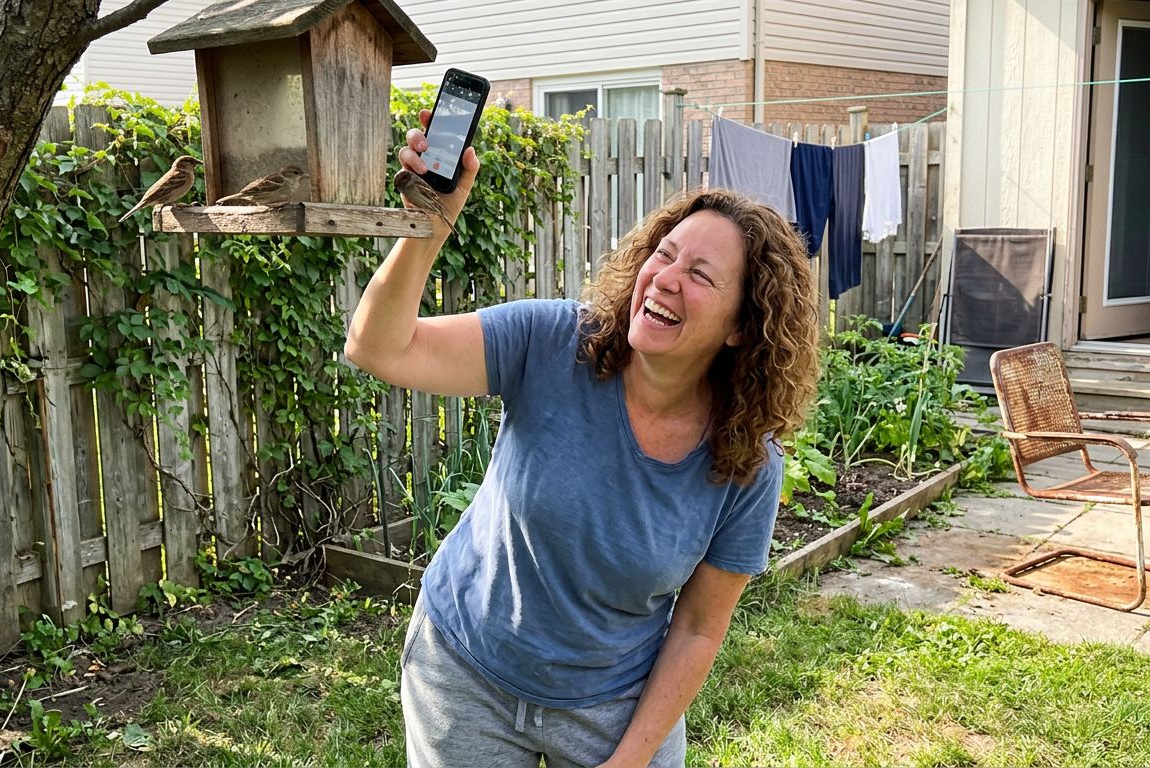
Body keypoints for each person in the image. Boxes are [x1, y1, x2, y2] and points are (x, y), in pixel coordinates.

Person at [344, 110, 820, 768]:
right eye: (665, 253)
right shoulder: (552, 342)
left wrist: (630, 758)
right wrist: (428, 226)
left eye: (702, 276)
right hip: (466, 672)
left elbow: (699, 626)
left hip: (613, 702)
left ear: (743, 326)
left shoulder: (745, 462)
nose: (667, 277)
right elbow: (378, 347)